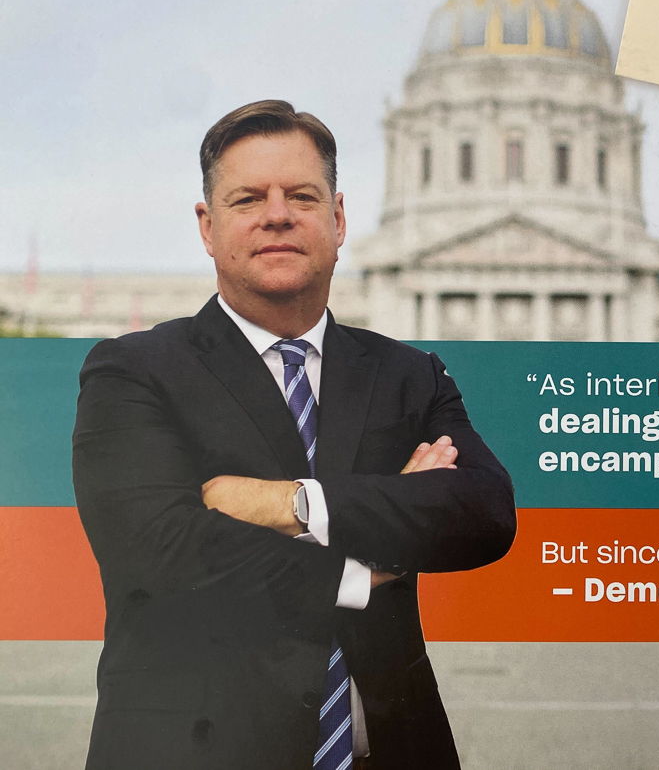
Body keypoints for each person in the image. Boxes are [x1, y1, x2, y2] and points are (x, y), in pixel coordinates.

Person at [72, 100, 516, 770]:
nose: (277, 214)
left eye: (301, 196)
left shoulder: (409, 374)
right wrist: (367, 568)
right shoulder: (132, 370)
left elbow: (484, 512)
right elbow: (161, 547)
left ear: (337, 220)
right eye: (248, 197)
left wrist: (293, 505)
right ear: (208, 225)